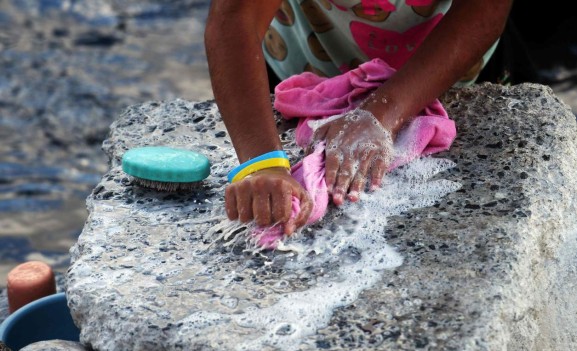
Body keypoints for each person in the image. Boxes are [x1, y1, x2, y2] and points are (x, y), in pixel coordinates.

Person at [205, 0, 513, 236]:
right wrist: (264, 163)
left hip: (449, 59)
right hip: (307, 57)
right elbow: (237, 18)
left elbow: (485, 9)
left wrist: (382, 112)